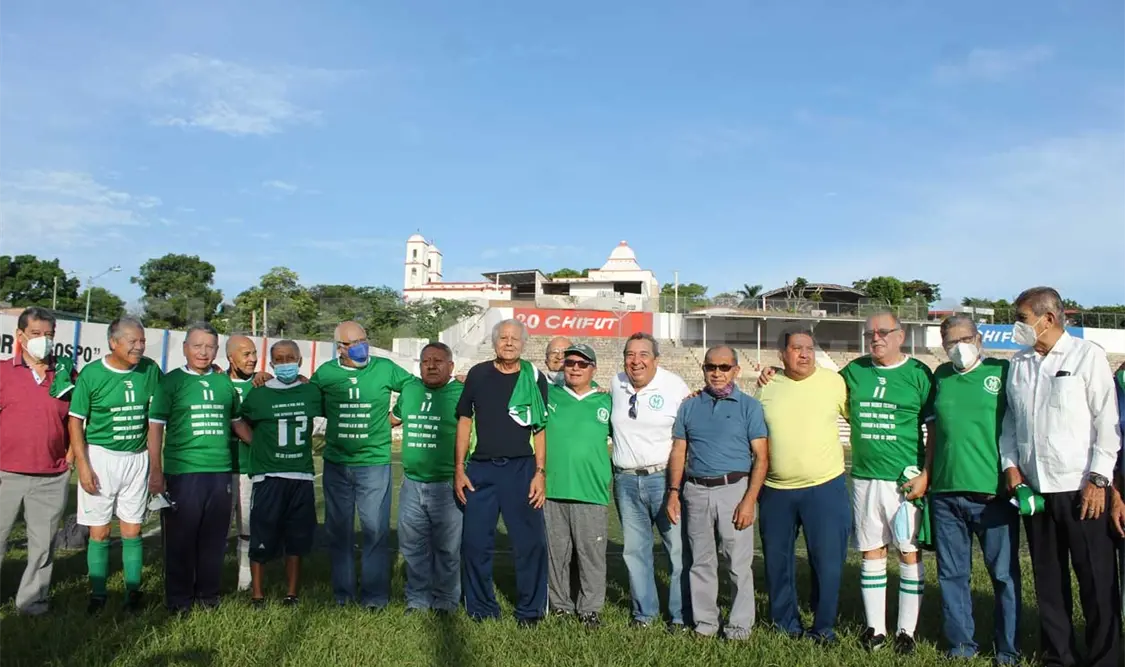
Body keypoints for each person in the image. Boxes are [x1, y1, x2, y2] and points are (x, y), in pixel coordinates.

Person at [759, 310, 933, 654]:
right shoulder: (841, 375)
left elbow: (936, 424)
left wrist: (927, 471)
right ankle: (866, 630)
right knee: (864, 552)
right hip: (822, 483)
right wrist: (771, 373)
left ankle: (895, 632)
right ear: (783, 354)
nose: (876, 338)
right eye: (796, 348)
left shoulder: (905, 374)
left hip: (873, 482)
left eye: (884, 332)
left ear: (901, 335)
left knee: (900, 554)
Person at [1000, 287, 1121, 667]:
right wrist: (1012, 467)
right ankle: (1060, 656)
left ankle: (1105, 658)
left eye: (1021, 318)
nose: (1016, 326)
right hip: (1036, 492)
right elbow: (1009, 423)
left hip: (1082, 489)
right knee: (1049, 583)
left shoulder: (1088, 357)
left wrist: (1099, 479)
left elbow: (1107, 422)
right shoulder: (1018, 364)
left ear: (1047, 319)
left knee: (1097, 582)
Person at [913, 314, 1021, 663]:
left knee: (1003, 575)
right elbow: (932, 432)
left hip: (993, 494)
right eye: (950, 342)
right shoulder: (941, 377)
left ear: (978, 338)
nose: (957, 348)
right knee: (952, 575)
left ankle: (1007, 648)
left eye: (964, 339)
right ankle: (961, 646)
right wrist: (929, 475)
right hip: (945, 495)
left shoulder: (1001, 374)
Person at [755, 325, 851, 645]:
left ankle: (823, 626)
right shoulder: (767, 386)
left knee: (827, 561)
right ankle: (786, 624)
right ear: (782, 355)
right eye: (796, 348)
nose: (804, 354)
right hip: (776, 490)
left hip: (824, 487)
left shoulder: (833, 382)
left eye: (809, 348)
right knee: (777, 562)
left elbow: (858, 418)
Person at [666, 346, 768, 640]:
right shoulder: (690, 406)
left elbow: (761, 456)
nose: (717, 372)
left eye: (724, 367)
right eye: (711, 367)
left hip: (734, 490)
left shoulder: (749, 406)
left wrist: (749, 500)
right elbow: (679, 451)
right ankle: (706, 625)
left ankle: (739, 627)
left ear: (736, 370)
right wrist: (674, 491)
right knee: (701, 562)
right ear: (704, 369)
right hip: (695, 490)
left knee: (737, 563)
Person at [147, 323, 249, 613]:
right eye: (197, 346)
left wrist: (265, 448)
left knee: (214, 539)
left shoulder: (224, 384)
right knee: (181, 538)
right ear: (185, 348)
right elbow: (155, 428)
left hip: (220, 472)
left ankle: (208, 597)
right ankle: (179, 600)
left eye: (209, 347)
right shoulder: (171, 382)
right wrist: (156, 471)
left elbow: (237, 423)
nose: (203, 352)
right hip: (184, 472)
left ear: (217, 350)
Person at [311, 321, 413, 610]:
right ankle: (343, 595)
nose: (361, 346)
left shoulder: (383, 367)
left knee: (375, 531)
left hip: (374, 462)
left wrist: (397, 415)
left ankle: (374, 598)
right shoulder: (327, 373)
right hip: (337, 463)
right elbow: (312, 400)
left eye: (363, 339)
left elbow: (412, 386)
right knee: (339, 532)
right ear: (340, 348)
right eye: (353, 342)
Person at [454, 318, 549, 626]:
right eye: (503, 338)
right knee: (475, 542)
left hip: (521, 469)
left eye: (515, 339)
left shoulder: (534, 377)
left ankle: (530, 611)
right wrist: (459, 468)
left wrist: (540, 472)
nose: (509, 343)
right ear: (494, 343)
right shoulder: (478, 375)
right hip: (480, 470)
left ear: (523, 344)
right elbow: (465, 421)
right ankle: (481, 608)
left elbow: (540, 428)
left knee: (529, 543)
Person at [68, 317, 163, 613]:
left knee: (132, 530)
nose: (139, 346)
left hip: (136, 459)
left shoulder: (150, 370)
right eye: (133, 341)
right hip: (101, 458)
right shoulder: (93, 374)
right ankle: (98, 594)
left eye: (142, 341)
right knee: (100, 532)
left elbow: (156, 418)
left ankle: (132, 593)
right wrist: (83, 465)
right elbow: (75, 421)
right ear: (113, 342)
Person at [610, 332, 692, 630]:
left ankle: (681, 616)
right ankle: (644, 614)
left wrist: (675, 485)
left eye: (643, 354)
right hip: (626, 480)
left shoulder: (674, 386)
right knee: (634, 551)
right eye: (630, 354)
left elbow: (688, 433)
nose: (636, 361)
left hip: (664, 479)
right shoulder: (615, 383)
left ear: (656, 359)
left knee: (677, 550)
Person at [0, 307, 75, 615]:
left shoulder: (67, 375)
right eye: (35, 334)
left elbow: (77, 421)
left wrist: (69, 459)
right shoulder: (4, 372)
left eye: (49, 335)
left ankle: (32, 603)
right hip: (5, 473)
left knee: (42, 545)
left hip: (51, 475)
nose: (43, 341)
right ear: (20, 336)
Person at [237, 340, 323, 606]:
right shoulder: (260, 393)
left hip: (301, 475)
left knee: (296, 539)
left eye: (290, 358)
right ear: (271, 363)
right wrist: (257, 444)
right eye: (279, 358)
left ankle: (291, 594)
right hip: (268, 476)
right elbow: (240, 421)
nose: (285, 362)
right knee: (261, 536)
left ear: (299, 361)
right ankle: (257, 594)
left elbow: (323, 418)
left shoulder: (311, 392)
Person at [389, 342, 464, 614]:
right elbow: (391, 420)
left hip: (447, 484)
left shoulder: (462, 393)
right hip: (411, 483)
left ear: (451, 366)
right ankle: (418, 601)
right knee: (413, 548)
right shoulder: (410, 390)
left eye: (438, 361)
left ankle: (446, 601)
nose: (431, 365)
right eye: (425, 361)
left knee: (448, 549)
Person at [544, 343, 613, 629]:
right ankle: (560, 605)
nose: (574, 367)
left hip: (591, 490)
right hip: (552, 489)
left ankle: (589, 608)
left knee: (591, 556)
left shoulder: (607, 400)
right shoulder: (549, 395)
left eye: (582, 364)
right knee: (556, 554)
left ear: (592, 369)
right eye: (570, 362)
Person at [225, 334, 260, 591]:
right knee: (215, 530)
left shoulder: (262, 385)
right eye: (246, 354)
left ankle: (244, 584)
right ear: (230, 357)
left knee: (247, 529)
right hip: (219, 470)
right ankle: (209, 583)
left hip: (250, 468)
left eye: (254, 353)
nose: (253, 359)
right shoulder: (216, 383)